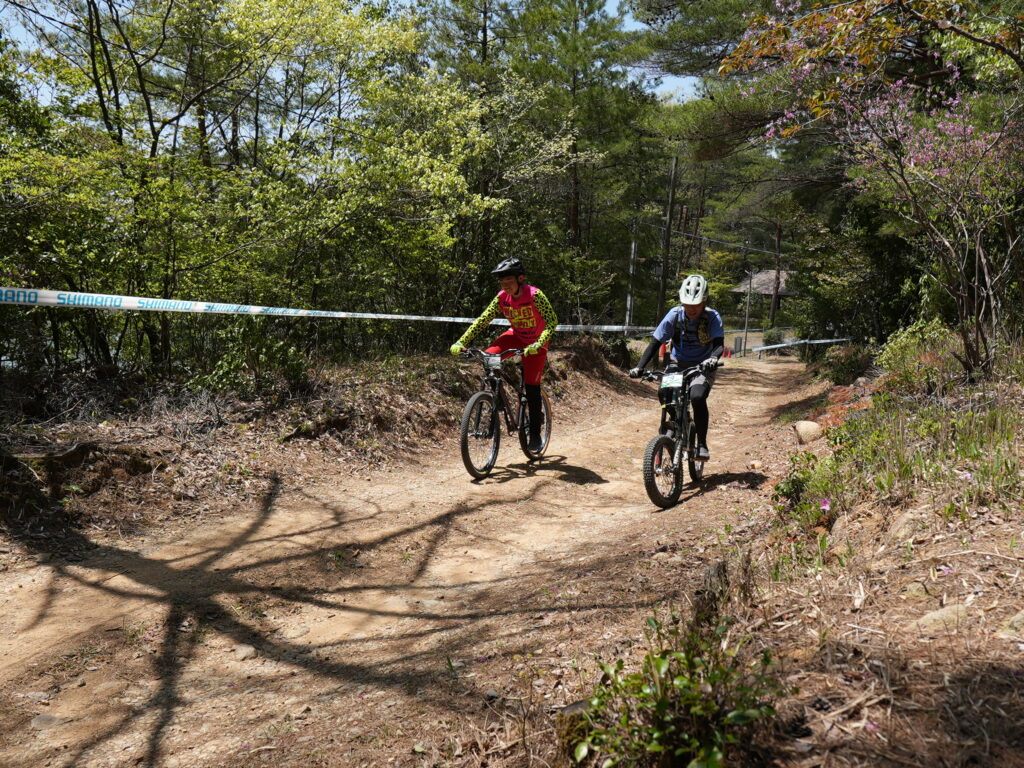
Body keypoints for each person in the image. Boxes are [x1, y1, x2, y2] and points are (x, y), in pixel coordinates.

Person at [450, 258, 558, 452]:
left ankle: (535, 433)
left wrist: (539, 343)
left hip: (536, 343)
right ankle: (496, 399)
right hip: (516, 336)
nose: (505, 286)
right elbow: (483, 320)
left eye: (509, 281)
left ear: (520, 279)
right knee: (489, 357)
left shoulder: (535, 295)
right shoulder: (502, 298)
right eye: (502, 282)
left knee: (532, 388)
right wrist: (461, 342)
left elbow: (552, 322)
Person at [629, 274, 724, 461]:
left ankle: (701, 444)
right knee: (663, 392)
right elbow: (655, 342)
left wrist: (713, 358)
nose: (691, 309)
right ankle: (676, 421)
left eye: (696, 304)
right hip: (677, 363)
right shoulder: (675, 315)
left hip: (703, 365)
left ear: (704, 301)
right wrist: (639, 367)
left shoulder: (712, 317)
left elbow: (719, 344)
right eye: (687, 304)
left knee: (697, 397)